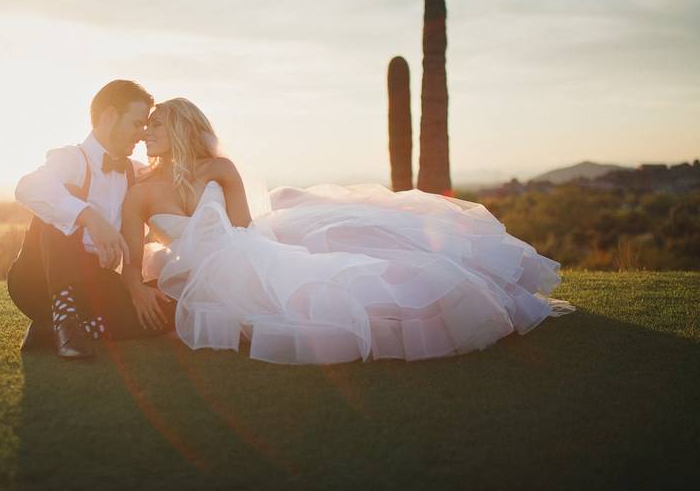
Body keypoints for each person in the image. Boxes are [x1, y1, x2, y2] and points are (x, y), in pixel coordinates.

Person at [122, 97, 575, 364]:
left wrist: (233, 253)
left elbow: (242, 227)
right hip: (191, 268)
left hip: (240, 251)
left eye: (155, 124)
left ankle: (436, 307)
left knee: (333, 289)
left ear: (179, 125)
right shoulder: (139, 189)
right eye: (143, 127)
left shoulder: (217, 167)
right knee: (286, 311)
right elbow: (129, 245)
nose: (146, 133)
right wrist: (137, 284)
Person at [8, 80, 175, 359]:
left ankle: (59, 329)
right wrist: (89, 217)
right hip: (38, 281)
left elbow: (174, 182)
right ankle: (65, 318)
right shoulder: (72, 159)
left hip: (92, 283)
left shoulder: (135, 171)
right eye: (136, 124)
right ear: (109, 117)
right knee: (65, 199)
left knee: (170, 306)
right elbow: (27, 187)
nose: (142, 134)